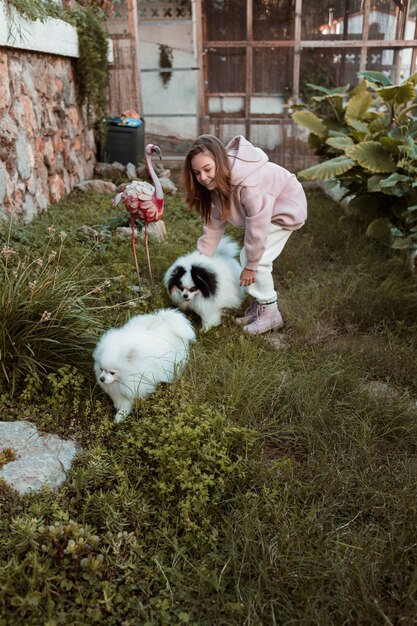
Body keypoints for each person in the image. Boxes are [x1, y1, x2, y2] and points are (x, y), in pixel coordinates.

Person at [182, 134, 307, 335]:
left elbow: (257, 227)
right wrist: (201, 257)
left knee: (259, 260)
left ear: (220, 163)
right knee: (249, 257)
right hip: (267, 210)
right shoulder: (215, 183)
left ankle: (271, 313)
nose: (202, 178)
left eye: (207, 170)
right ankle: (259, 308)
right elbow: (214, 223)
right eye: (197, 173)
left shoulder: (249, 186)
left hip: (285, 209)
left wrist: (250, 266)